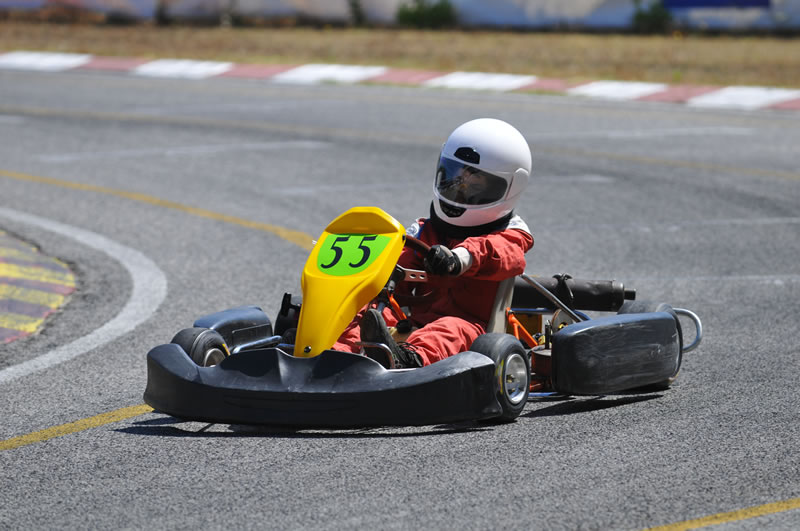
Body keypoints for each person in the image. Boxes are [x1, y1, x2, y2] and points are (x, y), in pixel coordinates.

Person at [332, 118, 534, 368]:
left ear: (510, 186)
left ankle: (405, 362)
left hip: (472, 329)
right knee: (369, 311)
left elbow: (499, 253)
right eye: (456, 177)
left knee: (448, 329)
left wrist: (460, 257)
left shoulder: (511, 234)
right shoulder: (427, 230)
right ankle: (333, 353)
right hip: (414, 323)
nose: (461, 188)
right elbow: (401, 264)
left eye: (475, 183)